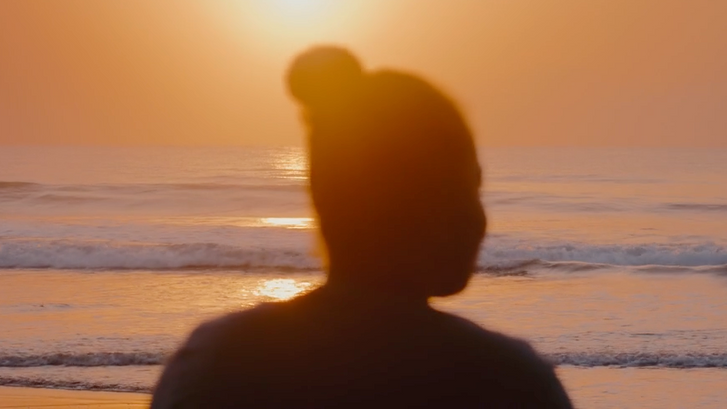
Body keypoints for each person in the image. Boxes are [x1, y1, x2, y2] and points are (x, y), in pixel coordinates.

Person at [151, 46, 573, 409]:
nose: (478, 218)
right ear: (426, 208)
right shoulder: (506, 381)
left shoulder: (218, 361)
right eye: (465, 190)